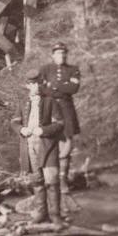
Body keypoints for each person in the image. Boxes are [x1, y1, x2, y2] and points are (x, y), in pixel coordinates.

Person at [13, 70, 67, 226]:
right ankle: (41, 214)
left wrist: (43, 130)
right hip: (29, 146)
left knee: (52, 181)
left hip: (48, 146)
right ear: (27, 85)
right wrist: (21, 130)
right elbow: (14, 122)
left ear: (41, 83)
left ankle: (56, 216)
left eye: (36, 83)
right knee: (37, 181)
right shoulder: (23, 103)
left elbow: (60, 124)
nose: (34, 86)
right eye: (31, 84)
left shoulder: (51, 101)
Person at [40, 43, 82, 199]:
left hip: (66, 110)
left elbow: (73, 89)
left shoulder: (73, 69)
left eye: (63, 54)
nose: (61, 56)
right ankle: (49, 180)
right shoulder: (45, 69)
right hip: (50, 109)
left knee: (66, 144)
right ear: (52, 55)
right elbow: (41, 89)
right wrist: (62, 86)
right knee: (48, 142)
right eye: (58, 53)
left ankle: (63, 181)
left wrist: (53, 86)